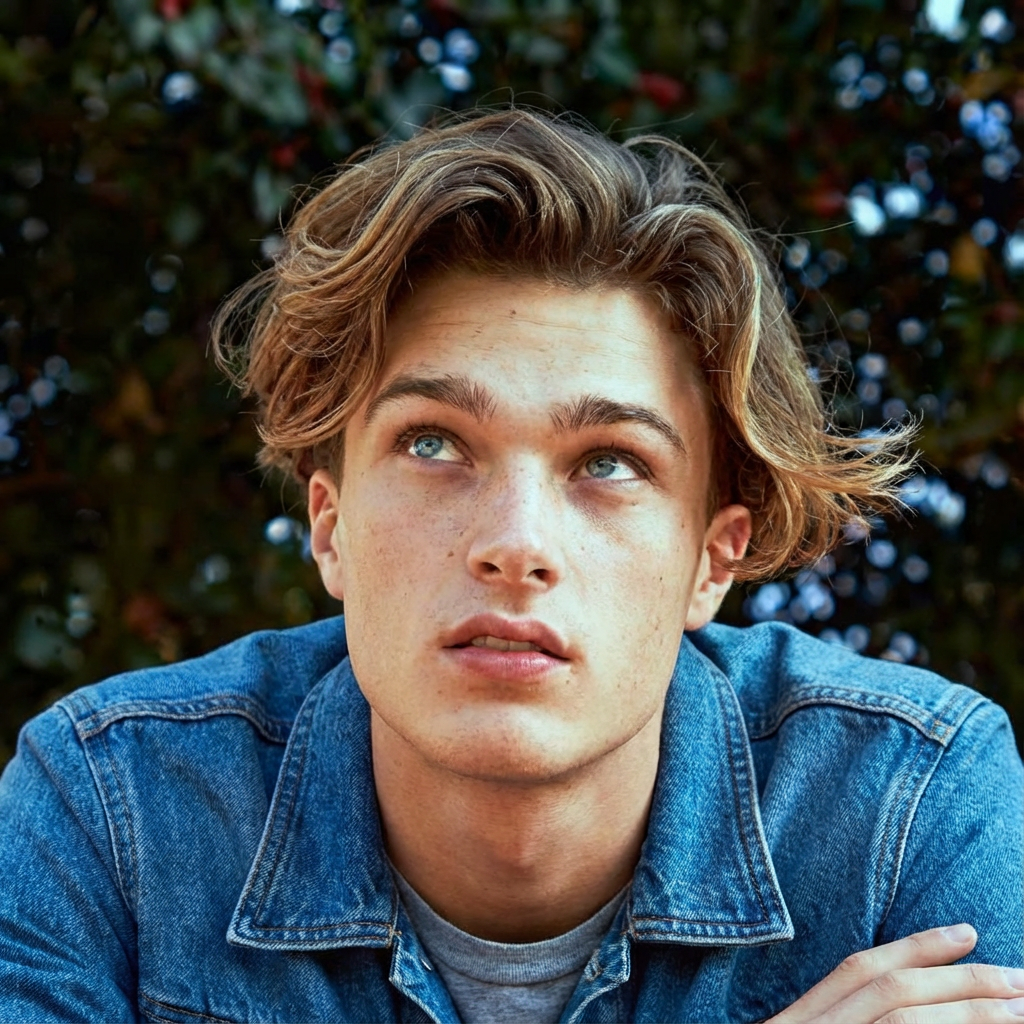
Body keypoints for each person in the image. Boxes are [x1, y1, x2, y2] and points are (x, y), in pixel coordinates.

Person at [0, 109, 1021, 1024]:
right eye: (434, 443)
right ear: (330, 526)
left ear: (712, 562)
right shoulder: (113, 805)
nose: (517, 542)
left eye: (610, 462)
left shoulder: (908, 800)